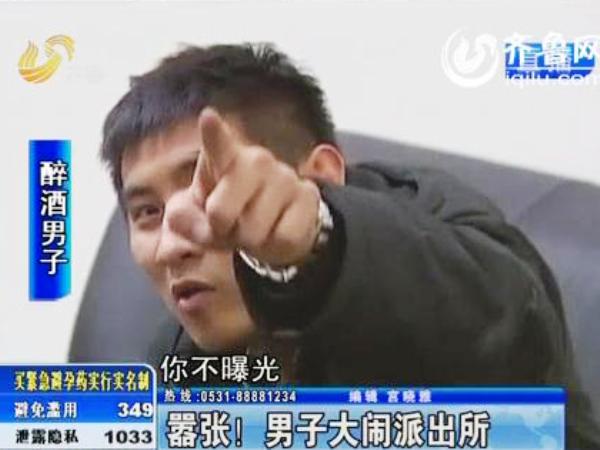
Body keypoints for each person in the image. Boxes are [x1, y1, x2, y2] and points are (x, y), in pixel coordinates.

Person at [100, 43, 599, 448]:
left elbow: (501, 329)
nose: (171, 244)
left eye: (204, 187)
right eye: (146, 212)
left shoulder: (451, 242)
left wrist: (317, 239)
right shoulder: (184, 361)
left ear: (321, 176)